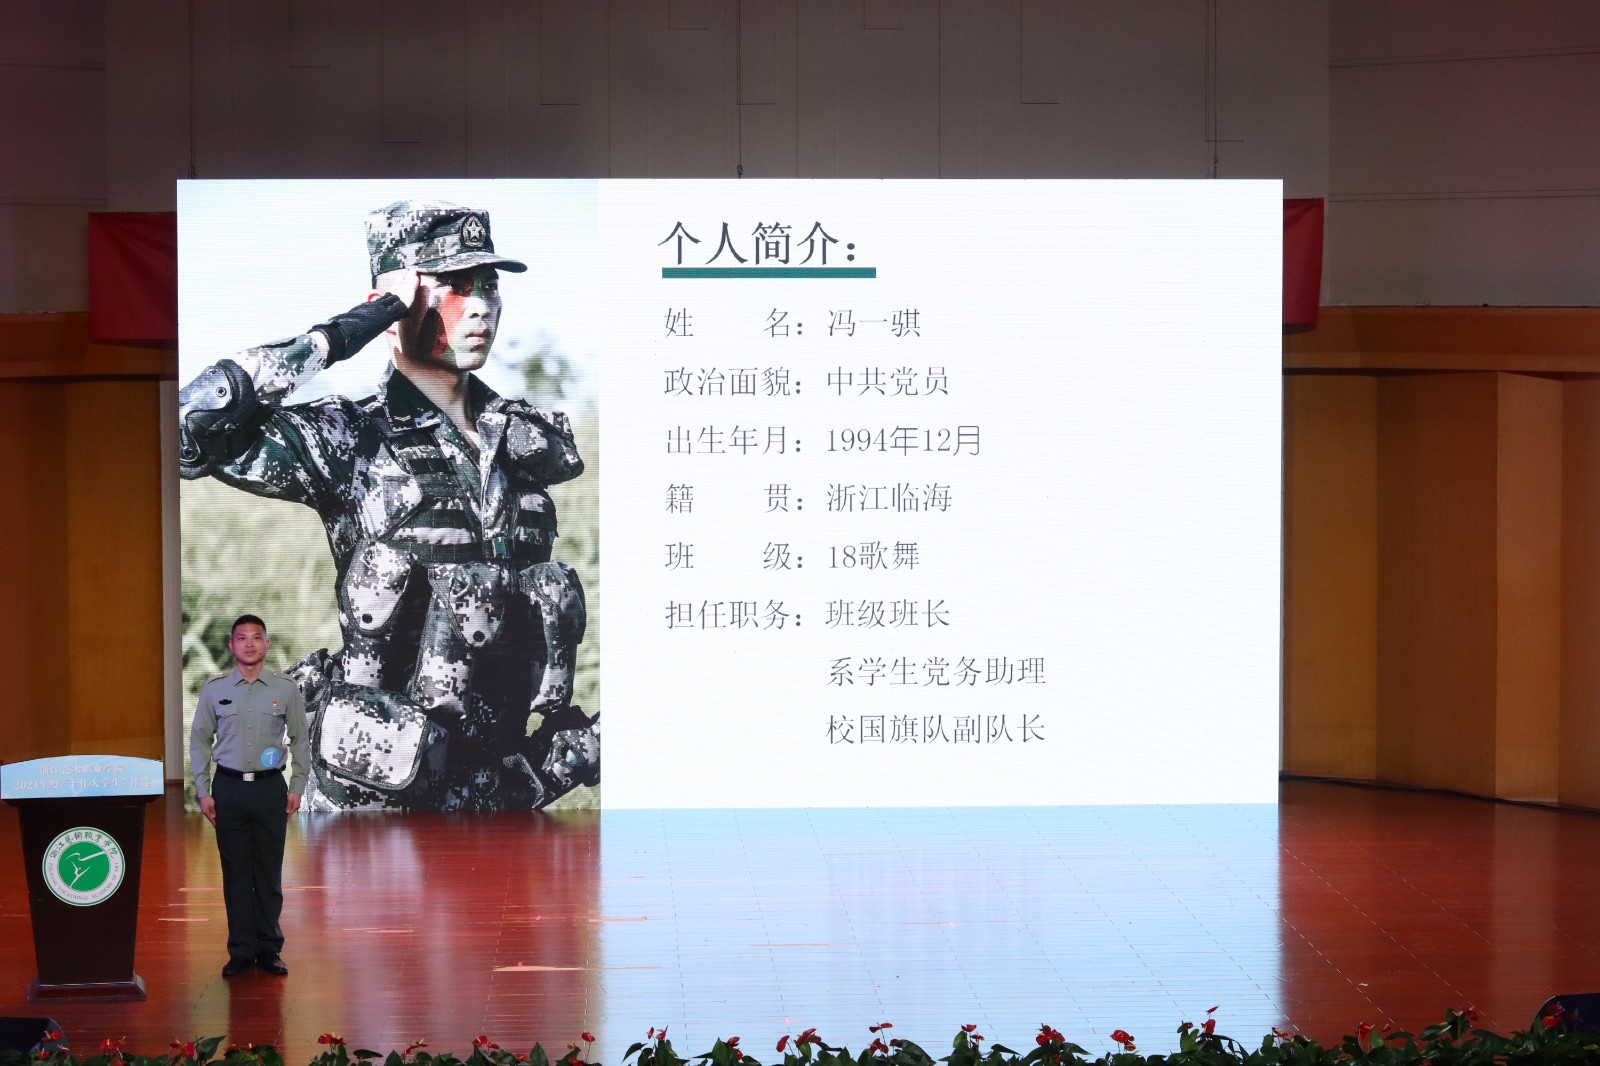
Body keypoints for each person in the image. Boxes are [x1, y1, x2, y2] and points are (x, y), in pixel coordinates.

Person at [178, 200, 599, 811]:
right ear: (396, 300)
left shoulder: (526, 443)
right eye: (452, 285)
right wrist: (353, 326)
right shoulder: (350, 435)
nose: (480, 304)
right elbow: (191, 425)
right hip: (377, 802)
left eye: (488, 285)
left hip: (500, 796)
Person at [190, 614, 309, 977]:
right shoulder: (215, 689)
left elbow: (300, 739)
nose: (250, 644)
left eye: (257, 637)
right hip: (228, 788)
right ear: (232, 645)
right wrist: (203, 790)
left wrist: (297, 785)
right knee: (236, 873)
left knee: (269, 872)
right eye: (242, 638)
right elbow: (199, 741)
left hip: (270, 788)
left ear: (266, 644)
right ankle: (241, 950)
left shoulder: (285, 688)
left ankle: (269, 948)